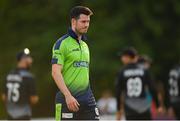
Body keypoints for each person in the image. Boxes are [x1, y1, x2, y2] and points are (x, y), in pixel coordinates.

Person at [51, 6, 100, 120]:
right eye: (83, 21)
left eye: (88, 21)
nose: (86, 25)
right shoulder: (61, 44)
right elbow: (55, 72)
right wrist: (68, 96)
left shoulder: (85, 45)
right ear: (73, 21)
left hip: (87, 99)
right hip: (67, 100)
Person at [115, 47, 160, 120]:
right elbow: (152, 88)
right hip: (145, 108)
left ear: (127, 57)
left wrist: (119, 109)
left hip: (130, 108)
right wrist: (158, 105)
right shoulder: (144, 70)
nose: (121, 59)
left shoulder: (122, 71)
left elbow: (118, 91)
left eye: (122, 57)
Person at [1, 48, 39, 120]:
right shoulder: (29, 77)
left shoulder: (8, 76)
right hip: (24, 115)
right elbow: (34, 99)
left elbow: (3, 97)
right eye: (29, 58)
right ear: (23, 59)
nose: (31, 60)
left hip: (10, 116)